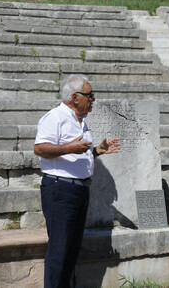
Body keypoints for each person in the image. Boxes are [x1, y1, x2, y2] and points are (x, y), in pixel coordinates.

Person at [35, 74, 121, 288]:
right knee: (59, 250)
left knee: (72, 250)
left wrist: (97, 151)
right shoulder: (55, 117)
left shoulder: (80, 122)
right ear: (75, 97)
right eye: (90, 95)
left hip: (79, 190)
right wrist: (68, 148)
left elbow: (77, 154)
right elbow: (40, 148)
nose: (93, 99)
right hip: (60, 190)